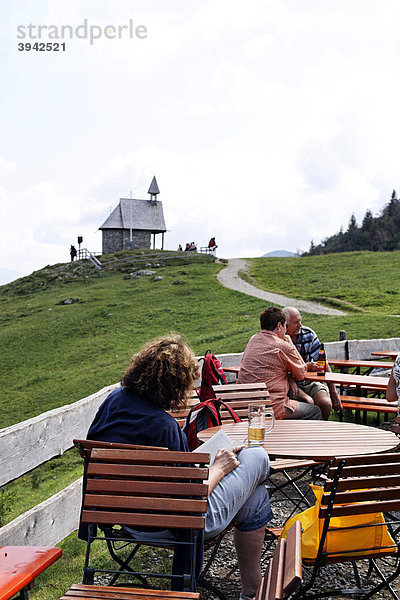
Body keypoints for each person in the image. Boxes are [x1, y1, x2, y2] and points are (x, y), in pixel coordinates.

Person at [86, 334, 272, 600]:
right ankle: (251, 592)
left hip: (119, 518)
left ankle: (251, 592)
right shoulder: (164, 427)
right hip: (170, 522)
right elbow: (188, 501)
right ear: (174, 385)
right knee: (256, 456)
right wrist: (218, 468)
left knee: (255, 498)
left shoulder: (113, 402)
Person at [238, 307, 323, 420]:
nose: (286, 330)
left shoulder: (253, 339)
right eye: (285, 326)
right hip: (270, 406)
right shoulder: (281, 345)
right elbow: (301, 374)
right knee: (314, 411)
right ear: (279, 326)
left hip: (243, 404)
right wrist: (289, 343)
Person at [283, 307, 342, 419]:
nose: (300, 325)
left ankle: (320, 431)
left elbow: (322, 363)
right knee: (308, 402)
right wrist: (290, 379)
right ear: (285, 325)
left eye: (300, 321)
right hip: (288, 383)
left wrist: (333, 392)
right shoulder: (279, 339)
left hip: (309, 381)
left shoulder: (308, 334)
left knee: (326, 403)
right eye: (296, 322)